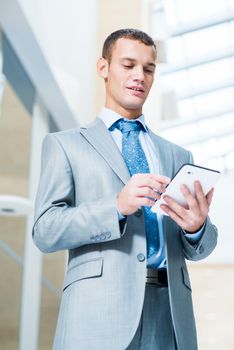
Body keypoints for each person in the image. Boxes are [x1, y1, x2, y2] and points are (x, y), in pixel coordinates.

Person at [33, 28, 217, 350]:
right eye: (128, 65)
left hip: (169, 317)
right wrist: (115, 206)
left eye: (148, 69)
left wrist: (197, 228)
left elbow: (202, 246)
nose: (139, 77)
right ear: (103, 68)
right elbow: (45, 231)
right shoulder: (66, 145)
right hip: (97, 314)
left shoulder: (178, 155)